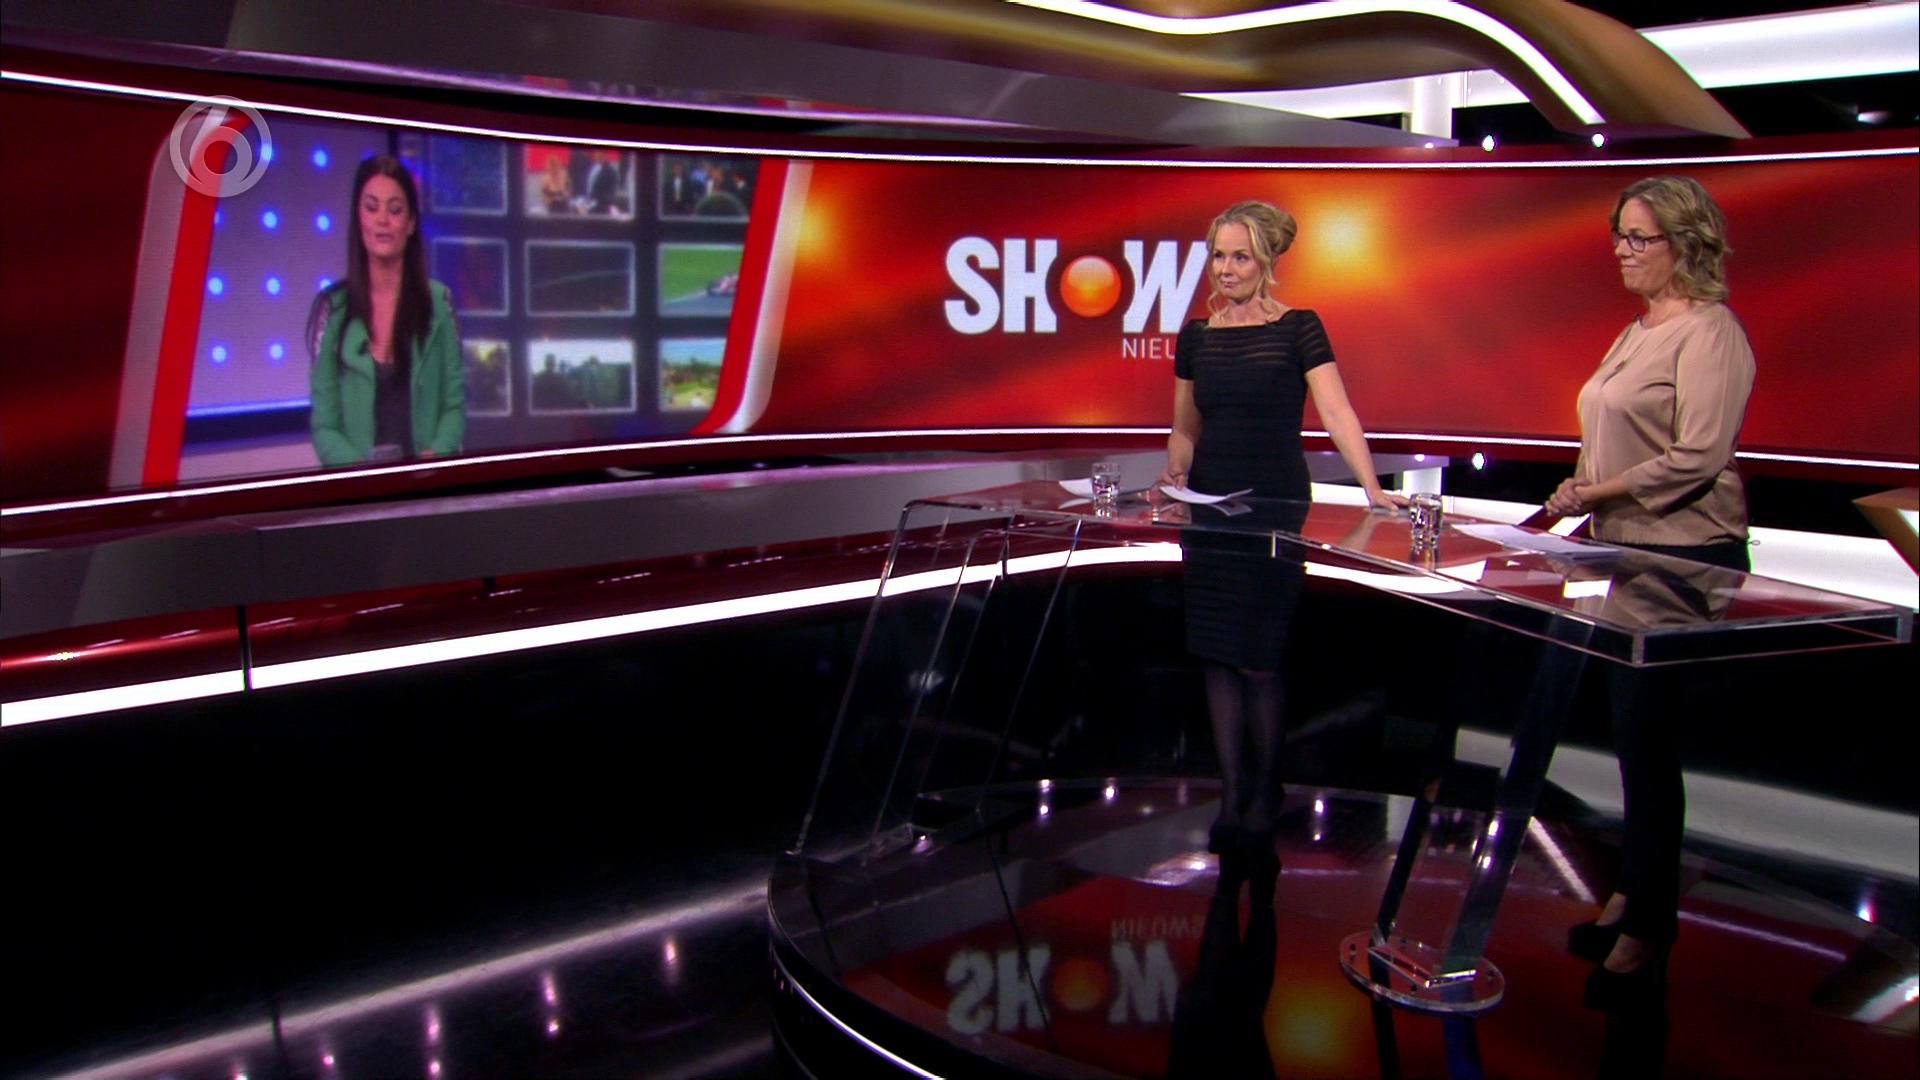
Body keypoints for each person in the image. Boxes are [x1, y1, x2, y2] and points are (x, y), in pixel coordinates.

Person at [1543, 175, 1756, 1008]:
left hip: (1683, 559)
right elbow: (1609, 431)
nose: (1622, 251)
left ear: (1684, 243)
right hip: (1620, 549)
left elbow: (1698, 456)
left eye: (1639, 238)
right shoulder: (1638, 330)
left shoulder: (1711, 333)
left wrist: (1594, 492)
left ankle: (1650, 928)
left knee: (1651, 743)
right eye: (1619, 235)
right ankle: (1633, 893)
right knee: (1629, 741)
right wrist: (1578, 492)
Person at [1155, 200, 1402, 869]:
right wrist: (1175, 475)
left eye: (1240, 256)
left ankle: (1268, 787)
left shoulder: (1298, 328)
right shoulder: (1197, 337)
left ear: (1265, 262)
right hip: (1210, 510)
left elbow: (1336, 411)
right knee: (1216, 654)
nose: (1226, 268)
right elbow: (1184, 427)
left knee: (1259, 659)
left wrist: (1373, 488)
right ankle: (1231, 791)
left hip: (1274, 507)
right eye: (1218, 255)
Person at [308, 155, 464, 466]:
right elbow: (325, 426)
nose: (382, 220)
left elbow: (454, 407)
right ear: (358, 218)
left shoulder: (439, 303)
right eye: (371, 207)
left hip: (427, 486)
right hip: (359, 489)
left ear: (411, 223)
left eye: (394, 210)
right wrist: (360, 473)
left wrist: (437, 455)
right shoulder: (333, 310)